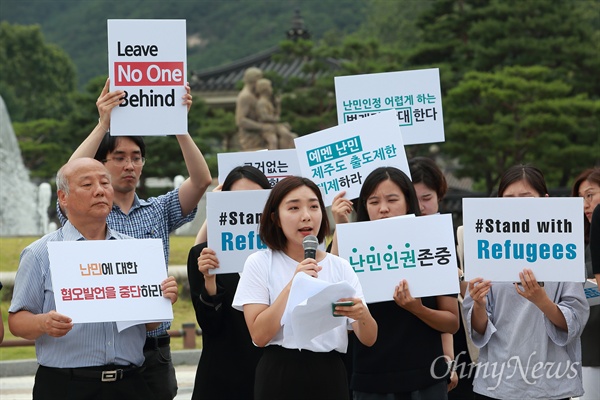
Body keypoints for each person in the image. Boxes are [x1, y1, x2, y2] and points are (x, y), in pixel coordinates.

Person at [58, 79, 212, 399]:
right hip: (101, 350)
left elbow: (201, 180)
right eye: (119, 157)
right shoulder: (86, 214)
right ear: (100, 163)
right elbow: (68, 176)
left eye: (137, 157)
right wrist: (103, 124)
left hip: (154, 350)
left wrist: (178, 125)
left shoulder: (159, 209)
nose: (130, 165)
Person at [8, 158, 178, 400]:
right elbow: (16, 321)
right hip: (66, 385)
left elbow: (149, 325)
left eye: (105, 183)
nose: (100, 190)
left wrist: (161, 299)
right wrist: (44, 323)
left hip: (130, 382)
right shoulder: (40, 253)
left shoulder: (136, 252)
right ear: (63, 197)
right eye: (87, 185)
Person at [232, 176, 378, 400]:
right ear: (276, 218)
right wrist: (293, 285)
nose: (306, 216)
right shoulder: (259, 262)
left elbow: (369, 338)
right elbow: (259, 335)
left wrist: (362, 314)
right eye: (293, 207)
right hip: (279, 373)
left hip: (329, 373)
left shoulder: (340, 266)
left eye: (313, 206)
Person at [463, 164, 589, 399]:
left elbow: (575, 320)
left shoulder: (564, 247)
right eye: (508, 198)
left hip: (551, 381)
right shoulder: (485, 247)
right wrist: (478, 304)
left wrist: (542, 301)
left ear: (545, 199)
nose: (517, 205)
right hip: (499, 381)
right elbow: (478, 329)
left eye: (526, 197)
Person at [337, 166, 458, 399]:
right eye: (373, 202)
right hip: (370, 379)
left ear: (407, 202)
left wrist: (418, 309)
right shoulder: (352, 247)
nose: (383, 209)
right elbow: (339, 309)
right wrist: (342, 226)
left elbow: (451, 323)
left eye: (392, 199)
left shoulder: (433, 242)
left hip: (425, 378)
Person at [187, 165, 270, 400]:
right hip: (222, 379)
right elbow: (209, 324)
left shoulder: (283, 254)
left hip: (272, 376)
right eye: (237, 198)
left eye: (256, 197)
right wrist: (210, 281)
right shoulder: (204, 256)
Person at [409, 156, 476, 399]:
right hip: (421, 345)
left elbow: (465, 295)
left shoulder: (454, 236)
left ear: (439, 196)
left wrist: (457, 279)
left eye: (427, 198)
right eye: (413, 200)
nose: (421, 207)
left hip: (458, 342)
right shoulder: (396, 242)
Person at [571, 166, 600, 400]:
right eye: (580, 199)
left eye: (589, 195)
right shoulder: (577, 243)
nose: (584, 205)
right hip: (588, 347)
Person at [254, 78, 296, 150]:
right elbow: (264, 117)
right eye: (270, 87)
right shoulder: (261, 103)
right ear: (265, 89)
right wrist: (275, 119)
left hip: (274, 125)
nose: (271, 89)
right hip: (267, 127)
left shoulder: (268, 102)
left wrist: (278, 104)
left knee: (288, 135)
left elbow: (277, 114)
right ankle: (275, 156)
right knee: (273, 141)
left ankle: (287, 151)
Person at [236, 67, 270, 151]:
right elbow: (241, 120)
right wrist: (262, 127)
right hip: (251, 137)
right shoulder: (245, 96)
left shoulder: (254, 95)